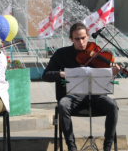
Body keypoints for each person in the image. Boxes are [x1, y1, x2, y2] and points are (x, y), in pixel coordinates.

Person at [42, 22, 120, 151]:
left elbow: (106, 80)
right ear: (71, 39)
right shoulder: (62, 54)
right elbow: (46, 75)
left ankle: (107, 147)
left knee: (112, 105)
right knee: (63, 105)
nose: (81, 42)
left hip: (96, 96)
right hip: (72, 97)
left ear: (88, 36)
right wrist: (62, 74)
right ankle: (72, 147)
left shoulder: (97, 54)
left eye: (83, 38)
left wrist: (113, 74)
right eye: (77, 39)